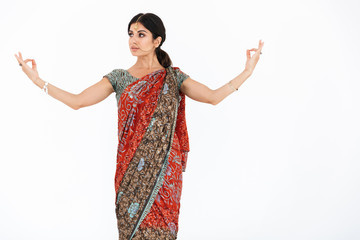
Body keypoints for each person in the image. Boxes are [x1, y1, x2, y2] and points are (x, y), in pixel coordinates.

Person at [14, 12, 264, 240]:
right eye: (131, 34)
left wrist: (247, 72)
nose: (133, 40)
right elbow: (78, 101)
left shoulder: (173, 78)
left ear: (157, 40)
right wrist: (38, 81)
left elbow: (212, 96)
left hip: (166, 170)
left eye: (141, 34)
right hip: (129, 171)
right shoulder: (119, 78)